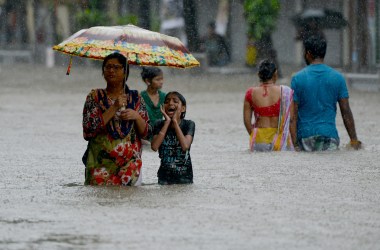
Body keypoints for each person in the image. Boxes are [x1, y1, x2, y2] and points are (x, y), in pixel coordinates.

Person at [82, 52, 150, 186]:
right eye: (107, 67)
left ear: (125, 72)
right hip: (99, 164)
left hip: (130, 166)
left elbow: (147, 133)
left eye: (116, 67)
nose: (111, 70)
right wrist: (114, 107)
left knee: (129, 203)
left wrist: (136, 117)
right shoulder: (95, 97)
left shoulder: (136, 98)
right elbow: (89, 131)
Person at [290, 34, 361, 151]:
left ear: (308, 54)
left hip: (305, 138)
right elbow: (346, 112)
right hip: (330, 137)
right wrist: (354, 140)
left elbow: (293, 116)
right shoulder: (338, 78)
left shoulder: (297, 78)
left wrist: (295, 145)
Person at [243, 59, 294, 152]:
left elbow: (246, 121)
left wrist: (254, 134)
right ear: (275, 74)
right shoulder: (285, 92)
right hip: (279, 140)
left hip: (259, 139)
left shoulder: (250, 93)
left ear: (258, 74)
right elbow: (291, 119)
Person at [151, 91, 195, 185]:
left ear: (183, 108)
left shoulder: (188, 124)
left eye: (175, 101)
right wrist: (167, 122)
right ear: (163, 107)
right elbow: (154, 147)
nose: (170, 103)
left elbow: (185, 146)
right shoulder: (159, 124)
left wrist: (174, 122)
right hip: (164, 177)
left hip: (184, 177)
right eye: (167, 101)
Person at [140, 66, 166, 140]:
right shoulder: (140, 97)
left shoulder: (164, 97)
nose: (161, 82)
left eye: (162, 79)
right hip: (144, 137)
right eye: (157, 79)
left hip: (159, 135)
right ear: (148, 81)